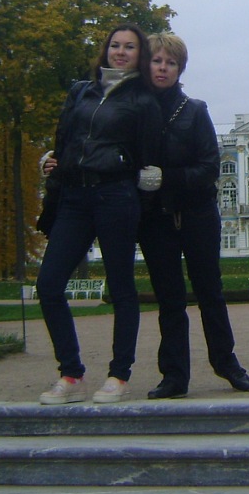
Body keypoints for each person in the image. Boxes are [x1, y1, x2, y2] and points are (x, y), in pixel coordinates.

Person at [36, 24, 163, 405]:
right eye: (115, 45)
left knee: (121, 288)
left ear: (139, 55)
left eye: (129, 47)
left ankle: (118, 375)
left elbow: (148, 157)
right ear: (106, 49)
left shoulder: (144, 101)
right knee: (48, 284)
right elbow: (65, 139)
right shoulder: (81, 91)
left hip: (116, 196)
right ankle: (71, 373)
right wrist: (52, 160)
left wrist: (145, 185)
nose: (120, 52)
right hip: (75, 197)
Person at [137, 32, 249, 398]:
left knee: (210, 292)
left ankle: (226, 362)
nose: (163, 68)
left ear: (180, 69)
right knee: (169, 298)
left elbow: (209, 168)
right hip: (155, 217)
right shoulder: (134, 111)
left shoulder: (195, 110)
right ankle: (174, 376)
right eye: (157, 61)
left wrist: (167, 177)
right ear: (146, 65)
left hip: (197, 213)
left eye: (171, 63)